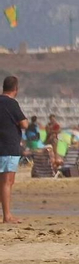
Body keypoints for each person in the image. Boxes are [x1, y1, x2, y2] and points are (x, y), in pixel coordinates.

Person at [0, 76, 28, 224]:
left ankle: (6, 214)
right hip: (8, 146)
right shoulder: (12, 103)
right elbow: (24, 124)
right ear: (15, 89)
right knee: (7, 181)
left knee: (3, 182)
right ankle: (7, 215)